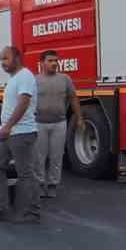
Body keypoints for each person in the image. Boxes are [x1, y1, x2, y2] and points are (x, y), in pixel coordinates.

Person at [0, 46, 42, 224]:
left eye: (6, 58)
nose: (3, 63)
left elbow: (24, 103)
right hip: (9, 133)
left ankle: (32, 212)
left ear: (17, 58)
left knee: (25, 173)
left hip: (21, 132)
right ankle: (2, 208)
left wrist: (8, 126)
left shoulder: (25, 76)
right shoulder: (14, 79)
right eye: (1, 59)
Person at [34, 50, 83, 199]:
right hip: (39, 123)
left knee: (56, 157)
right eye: (50, 60)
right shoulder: (34, 80)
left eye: (56, 60)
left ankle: (53, 185)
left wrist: (79, 118)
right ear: (42, 63)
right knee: (39, 157)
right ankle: (40, 185)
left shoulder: (65, 79)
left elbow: (73, 98)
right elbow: (26, 102)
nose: (54, 63)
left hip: (59, 123)